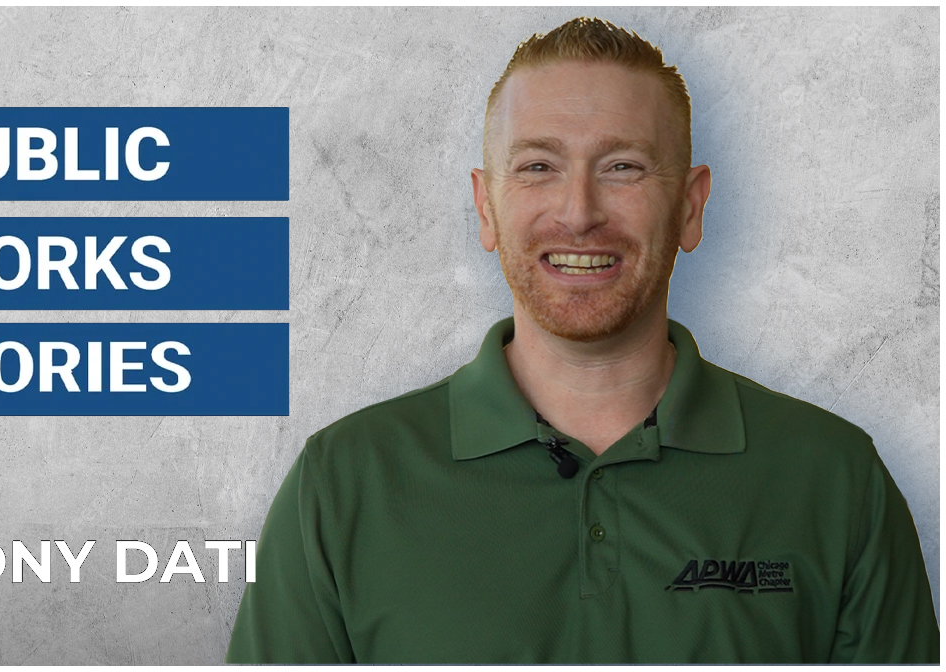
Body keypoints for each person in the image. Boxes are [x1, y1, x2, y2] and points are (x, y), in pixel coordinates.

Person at [225, 17, 939, 664]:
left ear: (690, 209)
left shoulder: (836, 480)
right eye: (539, 166)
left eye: (622, 166)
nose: (579, 212)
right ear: (487, 207)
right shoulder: (344, 484)